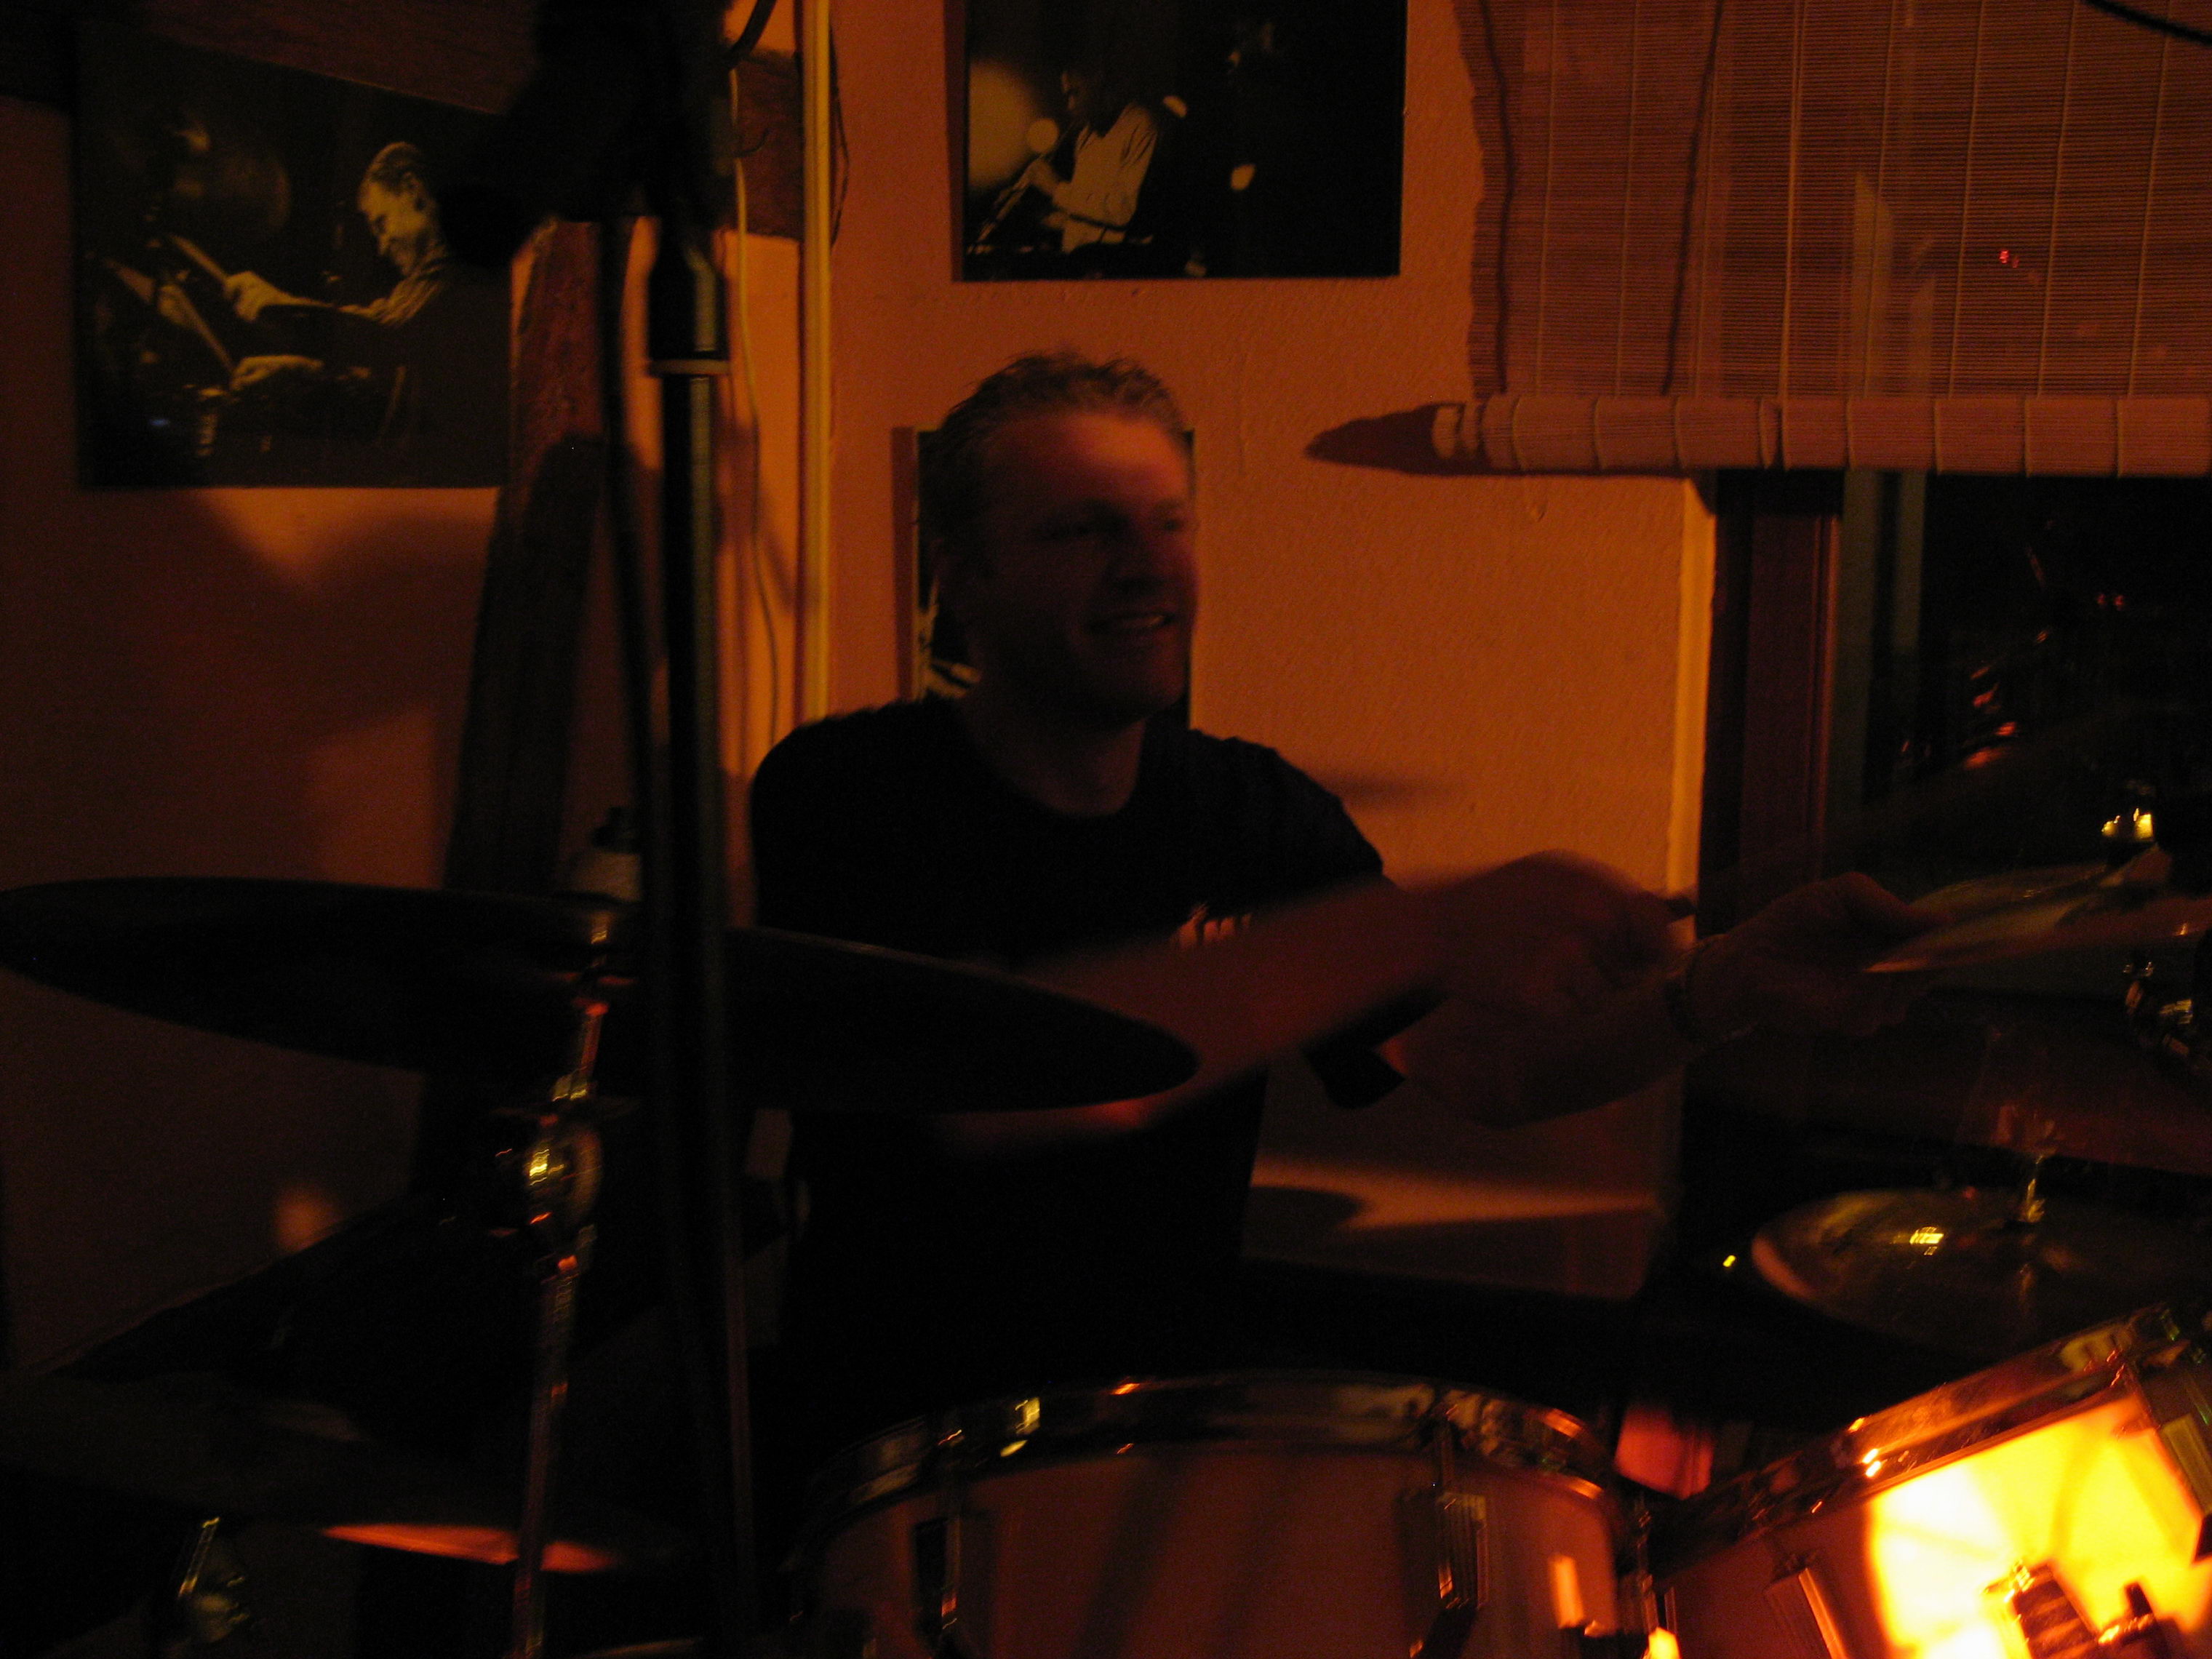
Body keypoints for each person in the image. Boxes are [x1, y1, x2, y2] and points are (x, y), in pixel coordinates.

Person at [748, 351, 1928, 1463]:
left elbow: (1488, 1072)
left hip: (1156, 1437)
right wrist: (1418, 929)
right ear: (960, 575)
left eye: (1169, 522)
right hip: (894, 1449)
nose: (1148, 564)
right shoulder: (845, 788)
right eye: (1082, 529)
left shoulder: (1253, 812)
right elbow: (991, 1089)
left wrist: (1718, 990)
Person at [216, 142, 506, 484]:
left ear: (413, 191)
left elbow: (384, 332)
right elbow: (387, 372)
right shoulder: (430, 281)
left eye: (381, 225)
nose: (382, 248)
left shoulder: (460, 258)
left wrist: (275, 304)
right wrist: (297, 370)